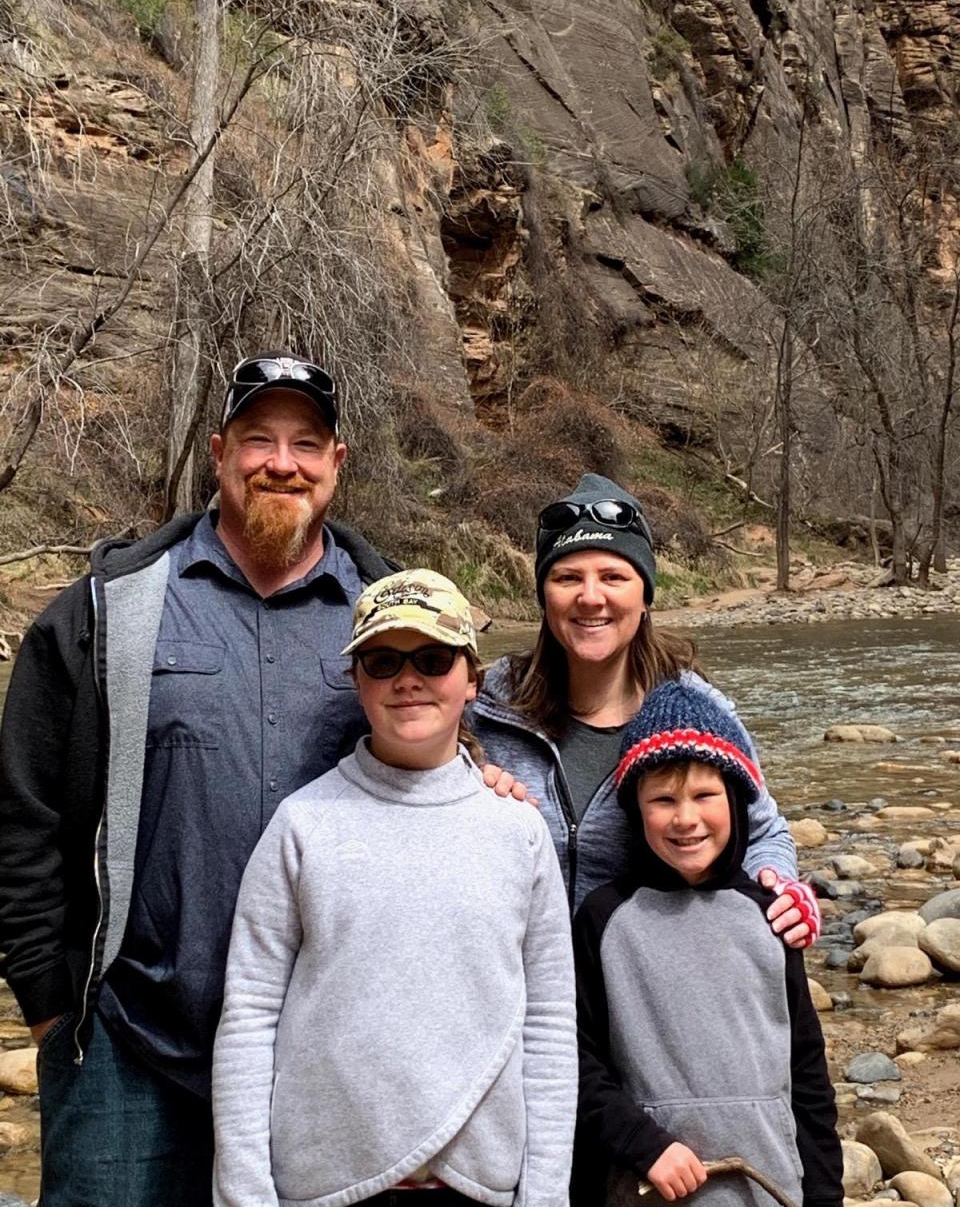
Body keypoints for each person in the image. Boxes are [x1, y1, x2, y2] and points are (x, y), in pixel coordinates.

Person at [0, 355, 397, 1205]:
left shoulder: (389, 618)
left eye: (305, 443)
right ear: (218, 453)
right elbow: (21, 809)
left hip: (324, 1050)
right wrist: (48, 998)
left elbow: (455, 765)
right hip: (128, 1043)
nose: (280, 462)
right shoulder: (112, 609)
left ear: (337, 462)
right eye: (258, 439)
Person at [212, 569, 577, 1207]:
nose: (408, 680)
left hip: (482, 1183)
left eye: (433, 659)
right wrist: (245, 1193)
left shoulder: (518, 829)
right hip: (328, 1185)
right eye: (383, 662)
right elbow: (248, 1019)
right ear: (357, 682)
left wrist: (545, 1192)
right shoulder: (301, 825)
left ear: (472, 681)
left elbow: (548, 1024)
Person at [471, 473, 820, 943]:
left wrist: (779, 893)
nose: (590, 597)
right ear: (544, 597)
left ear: (645, 595)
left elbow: (763, 833)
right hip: (518, 993)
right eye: (567, 577)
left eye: (614, 577)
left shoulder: (696, 713)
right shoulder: (487, 701)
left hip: (641, 994)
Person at [572, 679, 843, 1207]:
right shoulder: (604, 919)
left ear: (738, 800)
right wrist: (641, 1143)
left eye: (704, 795)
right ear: (635, 809)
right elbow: (577, 1060)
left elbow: (808, 1075)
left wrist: (826, 1195)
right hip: (644, 1186)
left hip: (771, 1188)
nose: (686, 818)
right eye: (663, 799)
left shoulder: (773, 914)